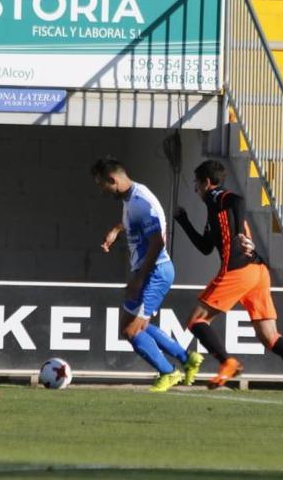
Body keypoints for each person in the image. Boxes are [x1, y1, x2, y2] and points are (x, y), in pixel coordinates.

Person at [174, 160, 283, 397]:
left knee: (196, 321)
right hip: (258, 272)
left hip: (238, 270)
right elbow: (206, 247)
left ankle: (227, 362)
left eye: (197, 184)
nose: (196, 189)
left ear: (206, 182)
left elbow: (238, 200)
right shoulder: (215, 210)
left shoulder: (218, 197)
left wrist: (237, 234)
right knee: (269, 336)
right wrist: (184, 222)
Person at [91, 157, 203, 392]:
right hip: (148, 270)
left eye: (103, 185)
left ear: (113, 179)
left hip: (155, 272)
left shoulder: (141, 200)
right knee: (129, 327)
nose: (102, 190)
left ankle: (169, 372)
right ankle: (186, 358)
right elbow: (135, 223)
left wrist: (139, 277)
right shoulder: (131, 198)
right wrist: (115, 230)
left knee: (132, 330)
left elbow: (157, 242)